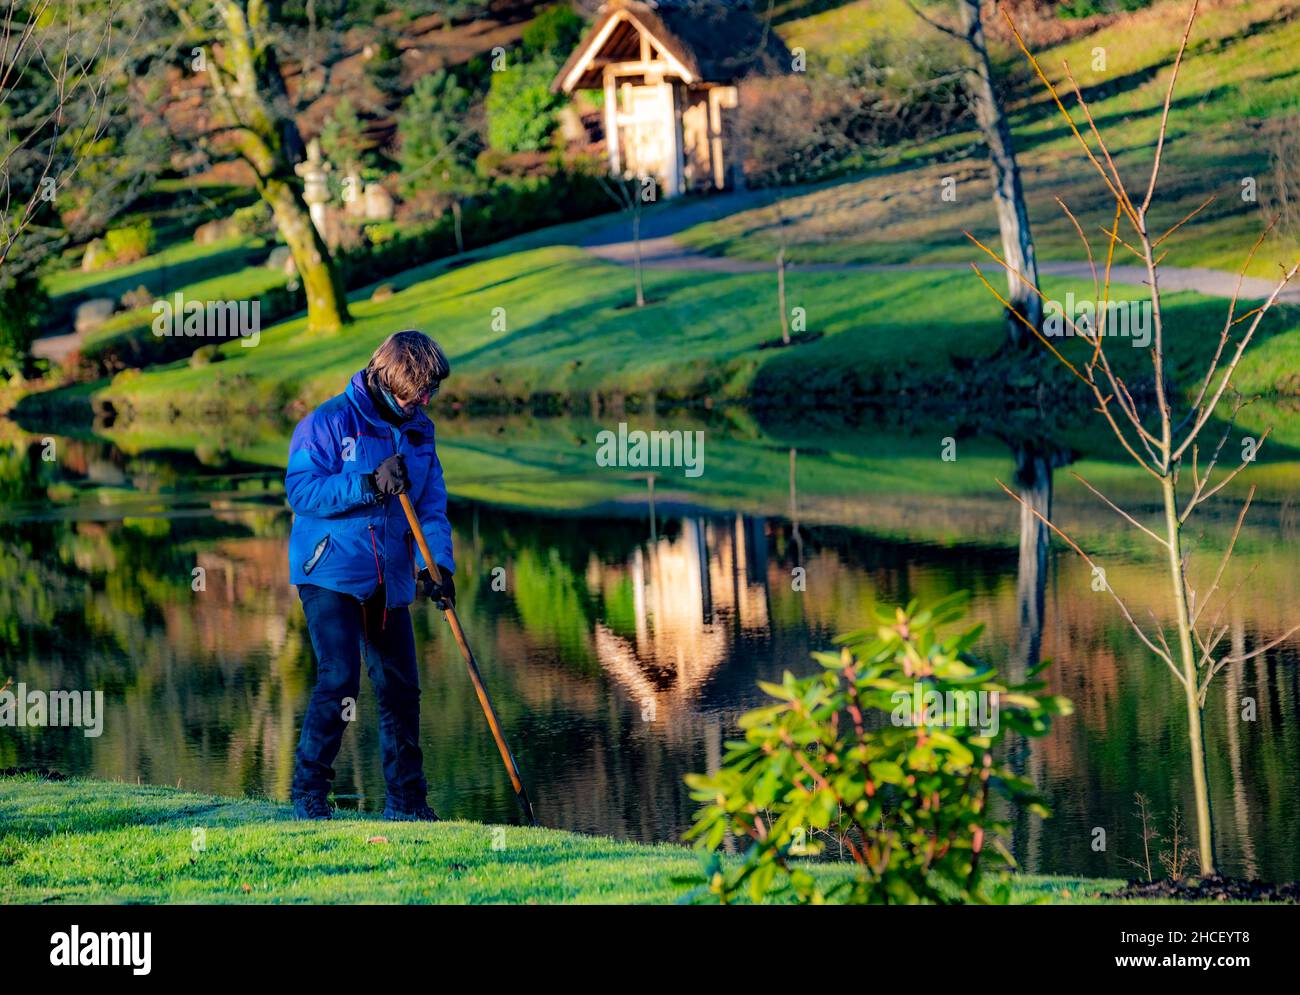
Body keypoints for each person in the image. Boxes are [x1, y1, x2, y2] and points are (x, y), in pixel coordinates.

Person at [284, 330, 456, 821]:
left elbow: (432, 508)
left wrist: (436, 566)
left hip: (391, 575)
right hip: (330, 570)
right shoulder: (328, 422)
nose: (426, 401)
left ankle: (407, 803)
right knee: (339, 678)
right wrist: (368, 482)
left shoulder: (420, 432)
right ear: (390, 380)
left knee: (400, 687)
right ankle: (309, 794)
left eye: (431, 392)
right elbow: (302, 492)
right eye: (419, 391)